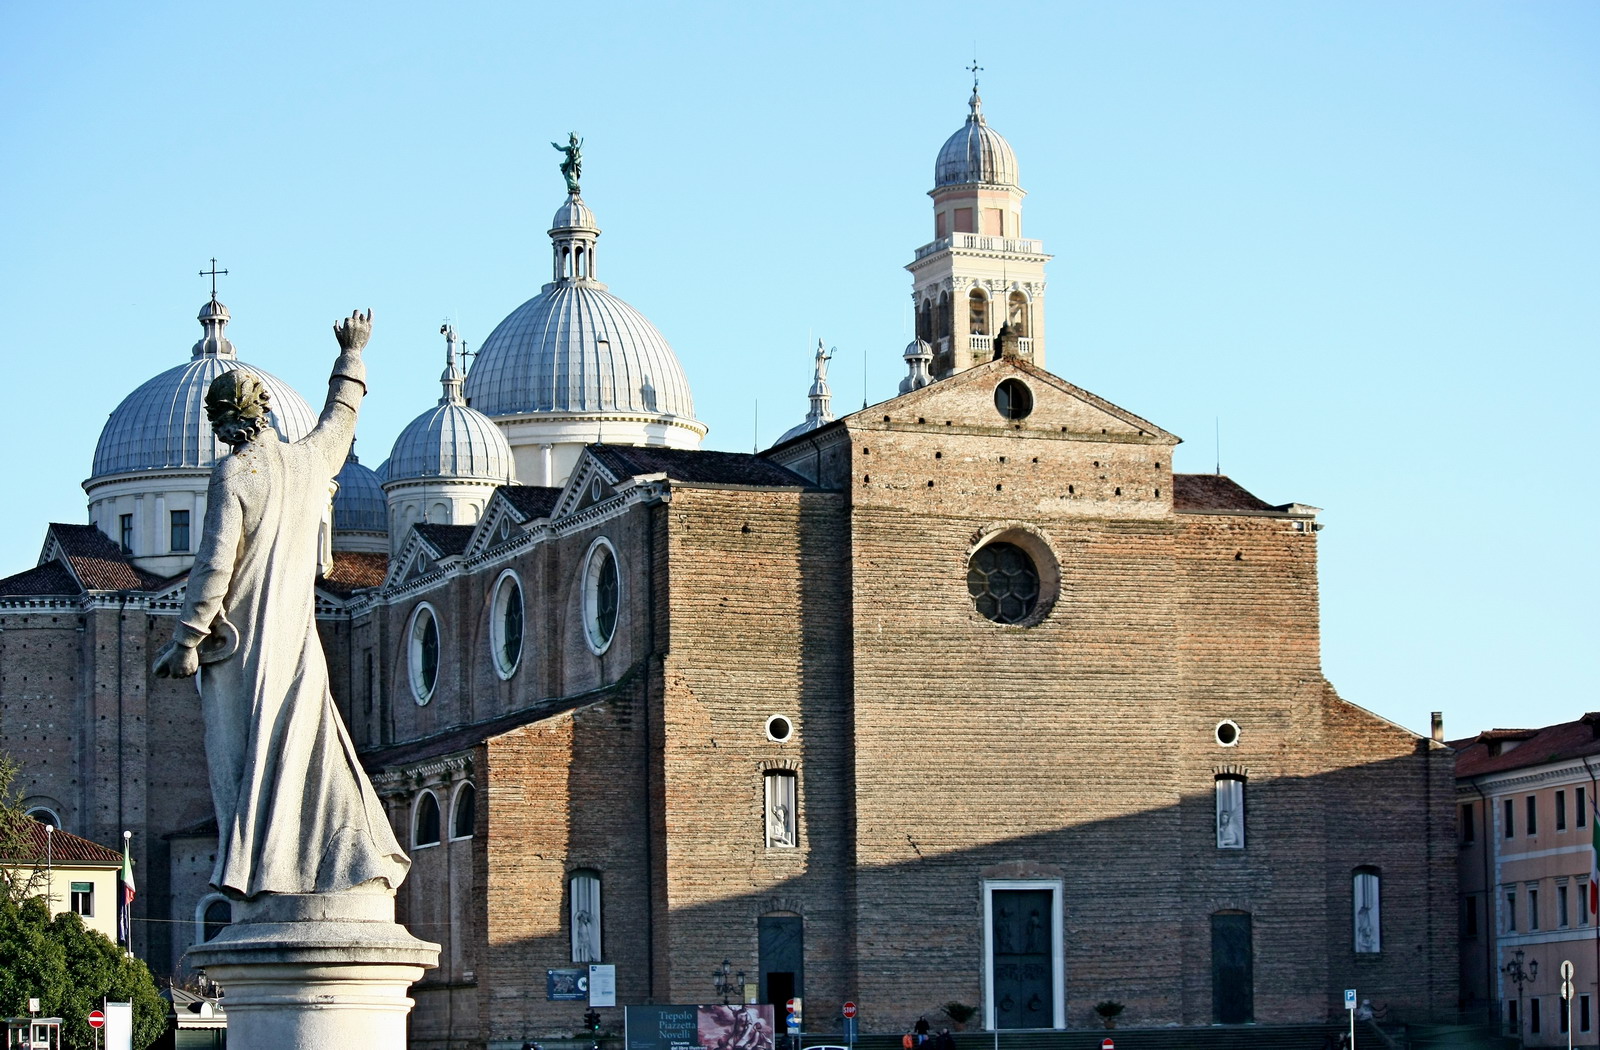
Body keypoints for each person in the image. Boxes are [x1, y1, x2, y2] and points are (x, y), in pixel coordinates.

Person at [154, 310, 409, 900]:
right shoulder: (307, 462)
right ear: (264, 409)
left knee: (252, 762)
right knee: (309, 747)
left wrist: (187, 640)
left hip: (244, 647)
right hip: (298, 638)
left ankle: (267, 872)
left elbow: (214, 566)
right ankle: (338, 859)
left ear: (223, 424)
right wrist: (352, 355)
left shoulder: (235, 474)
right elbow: (339, 422)